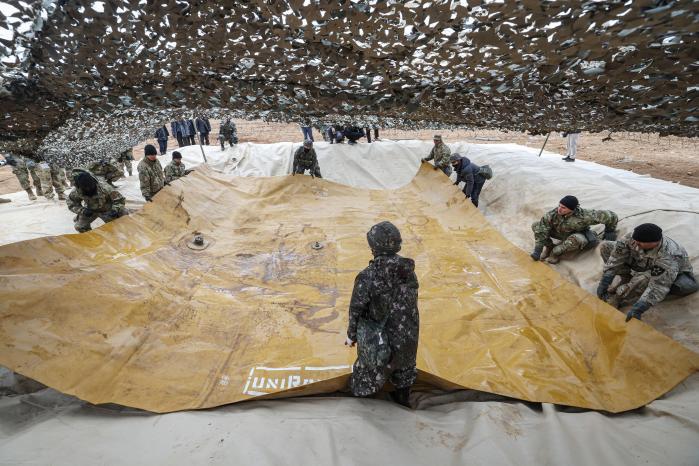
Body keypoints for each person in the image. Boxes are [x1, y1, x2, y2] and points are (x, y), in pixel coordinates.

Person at [345, 221, 419, 408]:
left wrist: (351, 335)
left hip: (379, 340)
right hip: (408, 337)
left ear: (373, 247)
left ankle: (366, 411)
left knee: (367, 374)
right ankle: (403, 401)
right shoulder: (408, 271)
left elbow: (356, 308)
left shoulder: (368, 276)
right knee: (404, 372)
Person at [597, 223, 698, 321]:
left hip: (666, 271)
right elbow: (616, 258)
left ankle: (619, 297)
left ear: (654, 242)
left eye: (639, 243)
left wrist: (639, 308)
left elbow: (658, 286)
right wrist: (605, 280)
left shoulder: (670, 255)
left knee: (646, 280)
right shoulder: (634, 237)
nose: (635, 243)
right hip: (643, 262)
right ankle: (626, 278)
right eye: (635, 240)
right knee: (606, 246)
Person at [530, 195, 618, 264]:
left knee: (577, 239)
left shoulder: (585, 216)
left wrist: (610, 230)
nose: (559, 209)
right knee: (536, 226)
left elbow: (611, 216)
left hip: (575, 236)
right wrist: (538, 250)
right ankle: (549, 247)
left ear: (572, 209)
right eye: (559, 205)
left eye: (563, 207)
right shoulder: (552, 214)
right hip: (559, 233)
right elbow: (542, 230)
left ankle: (555, 252)